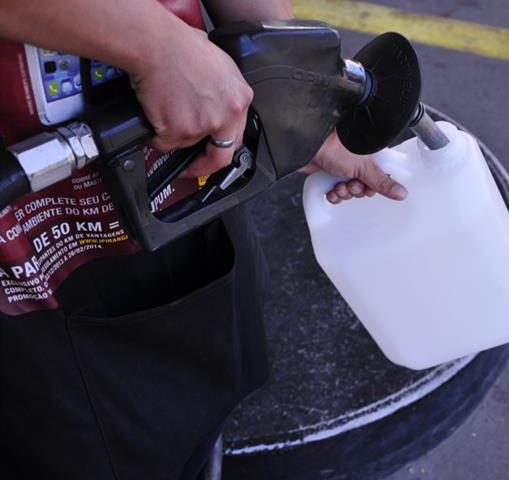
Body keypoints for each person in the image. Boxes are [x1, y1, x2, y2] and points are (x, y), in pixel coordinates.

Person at [0, 0, 407, 478]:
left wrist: (296, 97)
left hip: (184, 167)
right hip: (31, 237)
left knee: (197, 403)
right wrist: (155, 45)